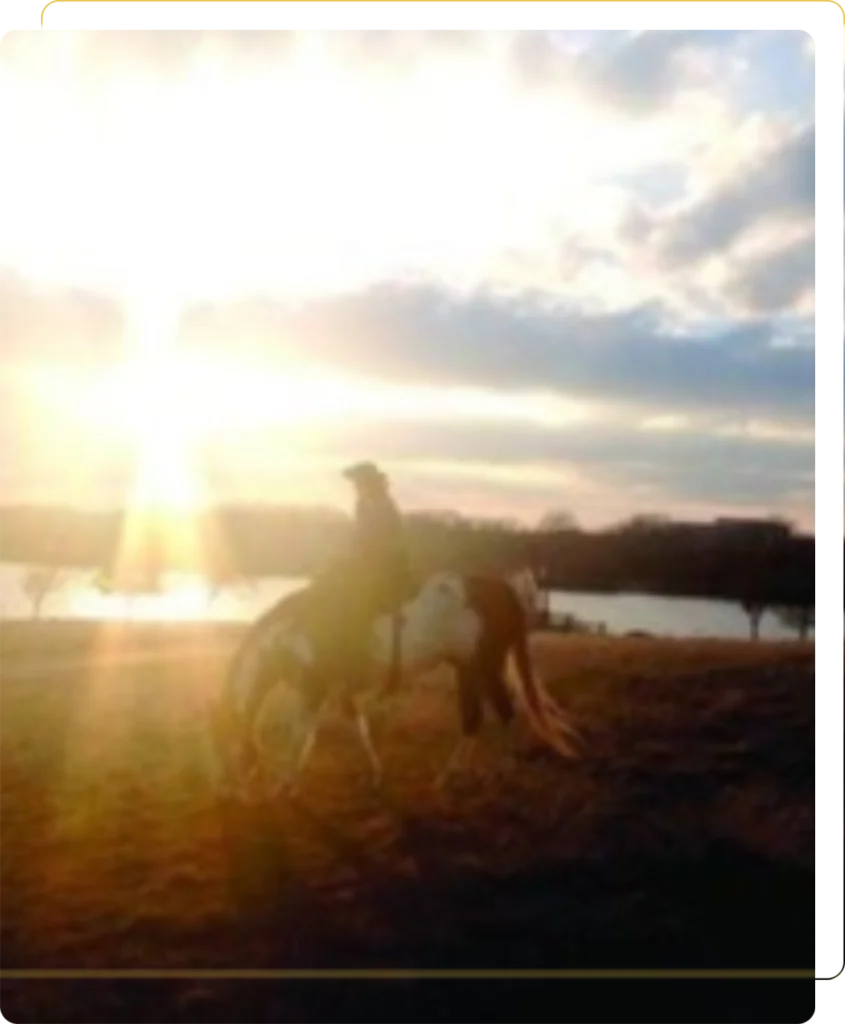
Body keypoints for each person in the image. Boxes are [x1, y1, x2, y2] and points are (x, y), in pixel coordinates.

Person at [334, 461, 415, 695]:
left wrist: (365, 558)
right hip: (366, 564)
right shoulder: (362, 504)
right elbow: (358, 539)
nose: (355, 487)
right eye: (355, 483)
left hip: (388, 566)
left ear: (370, 482)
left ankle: (363, 658)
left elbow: (389, 541)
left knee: (360, 606)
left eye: (358, 482)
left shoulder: (385, 506)